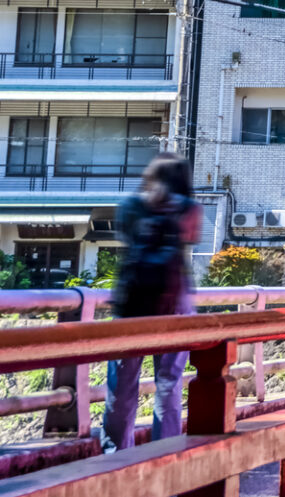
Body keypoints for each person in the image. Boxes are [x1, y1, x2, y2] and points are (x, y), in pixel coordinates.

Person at [104, 154, 200, 451]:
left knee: (121, 386)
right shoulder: (188, 209)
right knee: (169, 384)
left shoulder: (131, 206)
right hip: (175, 304)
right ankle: (164, 455)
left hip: (132, 303)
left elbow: (124, 235)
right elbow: (190, 237)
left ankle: (116, 457)